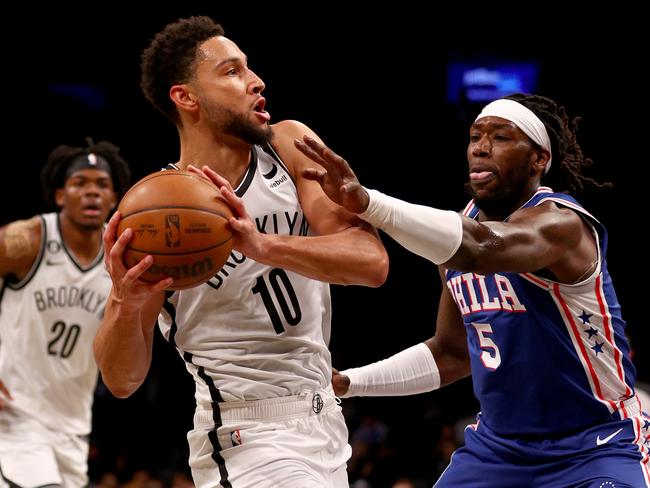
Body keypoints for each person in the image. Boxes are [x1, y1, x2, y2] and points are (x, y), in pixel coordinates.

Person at [295, 93, 649, 487]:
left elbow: (482, 248)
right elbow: (451, 353)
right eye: (475, 136)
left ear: (539, 159)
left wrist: (367, 203)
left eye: (500, 138)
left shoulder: (562, 225)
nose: (481, 148)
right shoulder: (456, 236)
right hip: (498, 449)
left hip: (595, 444)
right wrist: (351, 382)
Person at [93, 15, 388, 488]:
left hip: (325, 421)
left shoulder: (290, 147)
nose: (255, 81)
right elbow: (122, 379)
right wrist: (126, 303)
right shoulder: (153, 222)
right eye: (231, 71)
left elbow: (371, 263)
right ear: (186, 96)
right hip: (243, 433)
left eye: (248, 68)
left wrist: (263, 244)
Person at [0, 139, 131, 487]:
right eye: (80, 184)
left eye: (102, 185)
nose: (91, 193)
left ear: (114, 199)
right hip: (14, 416)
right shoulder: (28, 240)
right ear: (60, 195)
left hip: (73, 428)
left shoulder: (121, 259)